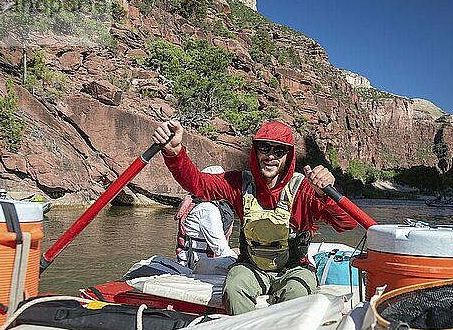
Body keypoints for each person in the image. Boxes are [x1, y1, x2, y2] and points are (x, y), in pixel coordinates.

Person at [153, 120, 357, 315]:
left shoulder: (304, 188)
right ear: (256, 151)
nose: (271, 156)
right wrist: (174, 152)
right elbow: (197, 183)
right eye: (264, 148)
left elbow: (347, 224)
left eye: (279, 151)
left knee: (297, 293)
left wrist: (325, 194)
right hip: (252, 267)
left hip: (295, 268)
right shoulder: (238, 183)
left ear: (288, 156)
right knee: (234, 288)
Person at [175, 165, 237, 268]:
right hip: (194, 267)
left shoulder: (200, 204)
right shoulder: (207, 209)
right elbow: (220, 248)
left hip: (192, 263)